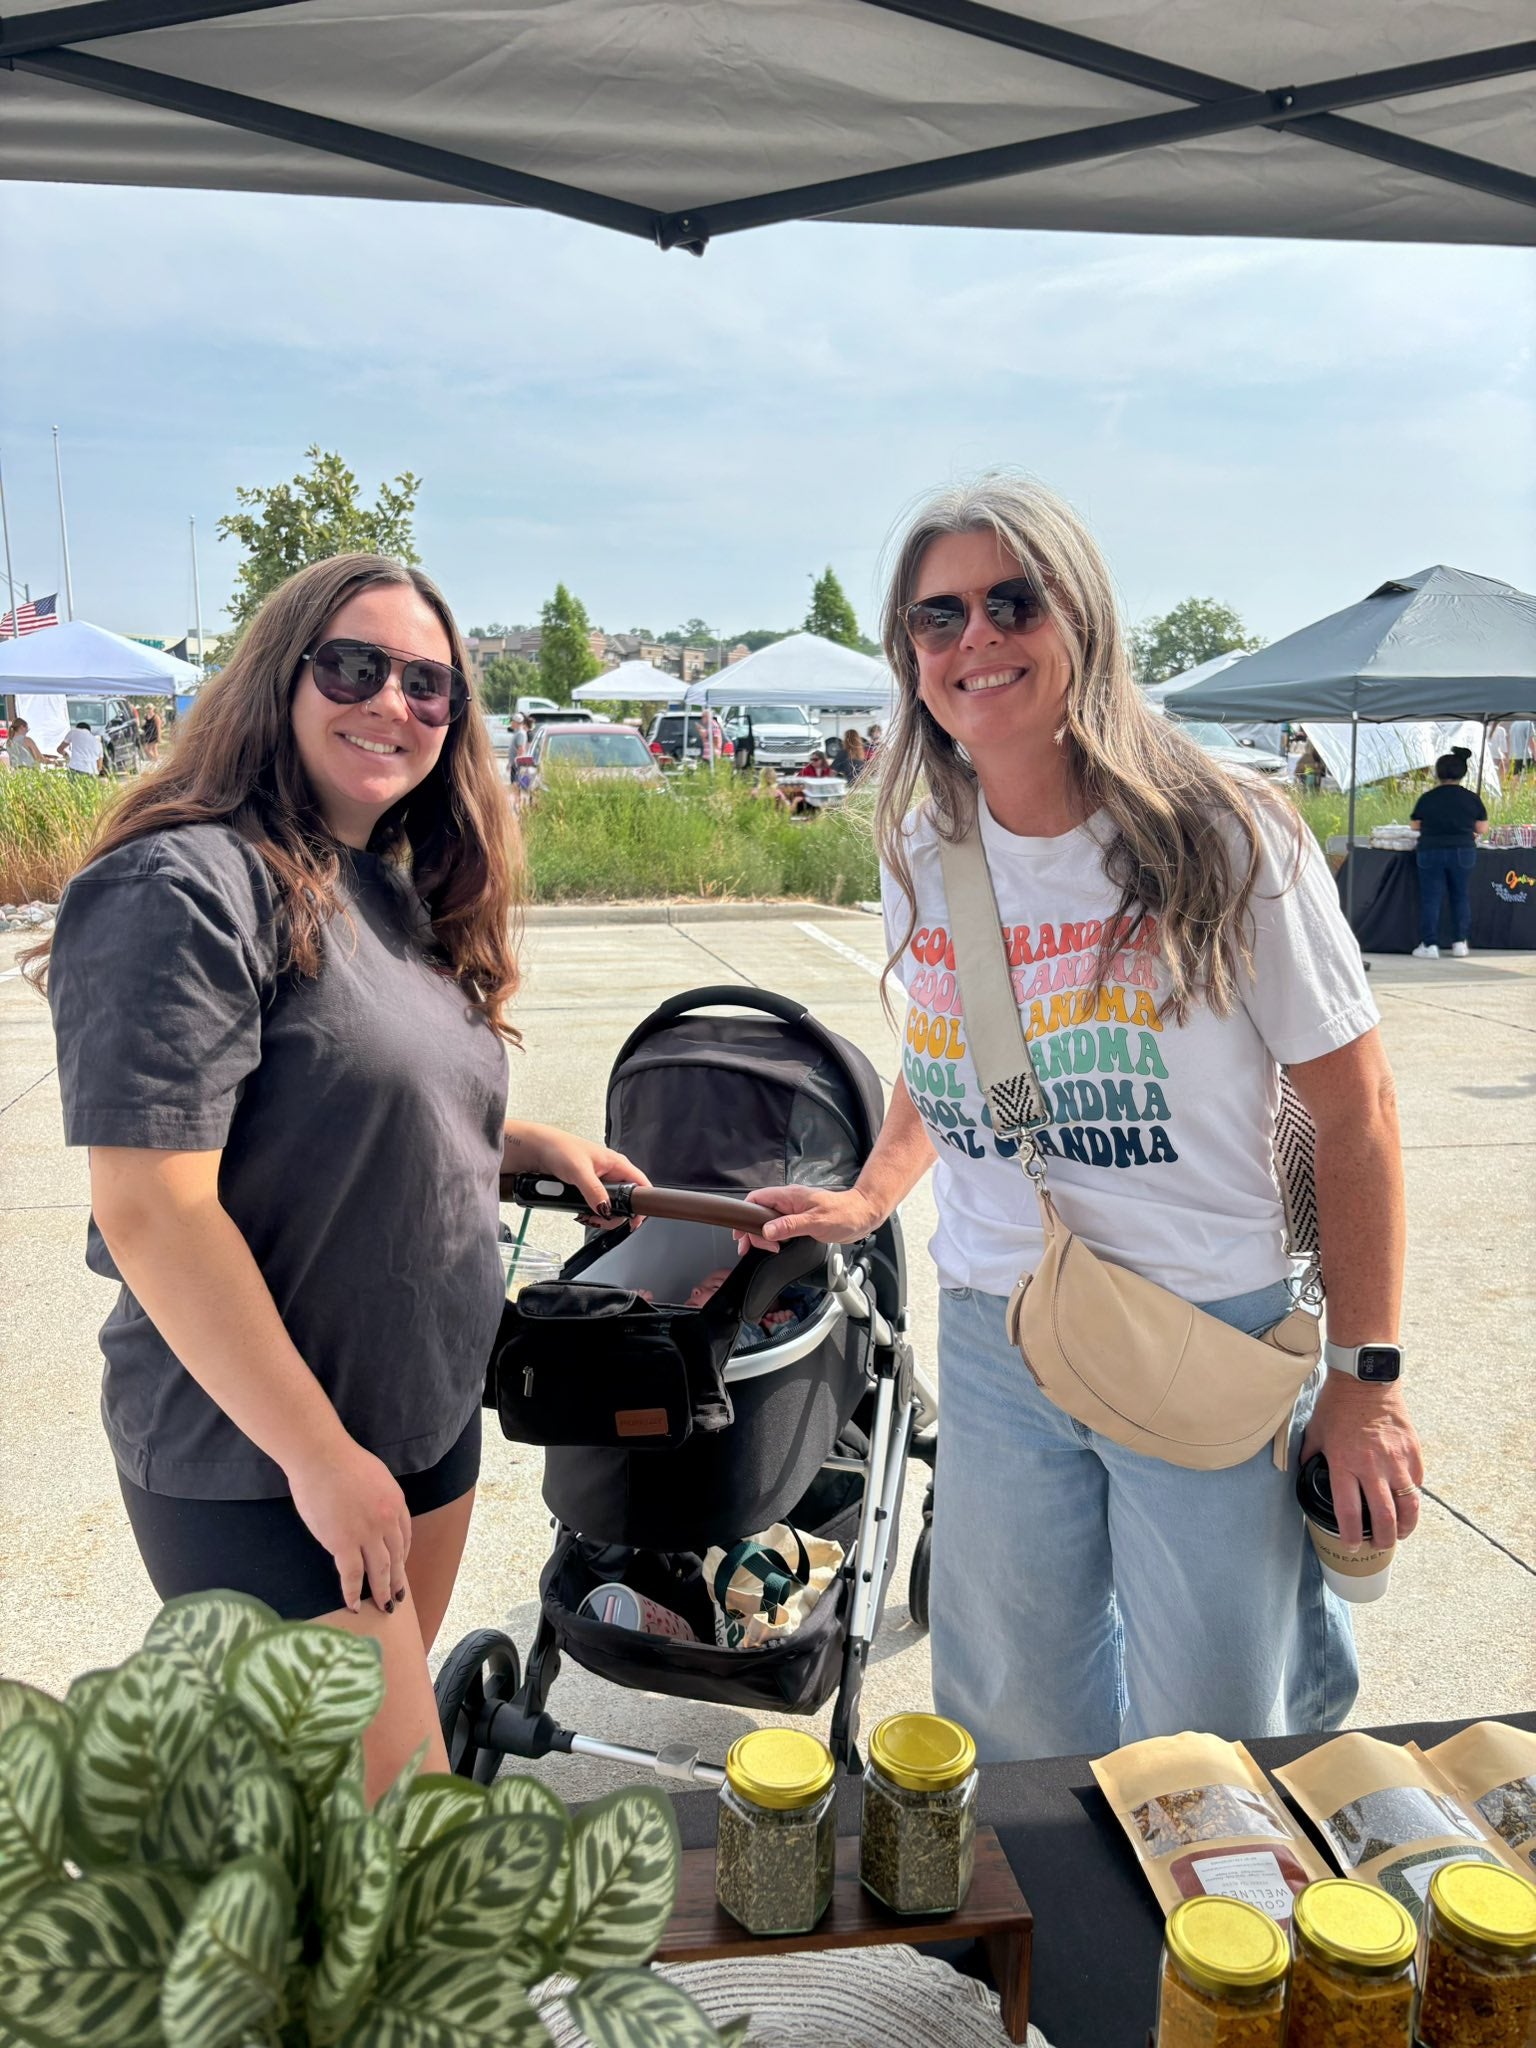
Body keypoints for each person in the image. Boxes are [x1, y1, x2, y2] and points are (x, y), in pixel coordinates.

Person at [736, 476, 1422, 1761]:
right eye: (936, 618)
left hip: (1200, 1330)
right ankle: (1064, 1952)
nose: (974, 639)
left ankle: (1208, 1951)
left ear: (1083, 620)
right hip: (999, 1332)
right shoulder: (922, 845)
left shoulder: (1223, 835)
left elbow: (1358, 1112)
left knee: (1216, 1729)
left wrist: (1364, 1381)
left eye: (1012, 601)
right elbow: (938, 1046)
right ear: (910, 658)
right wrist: (875, 1192)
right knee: (1014, 1716)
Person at [28, 554, 645, 1801]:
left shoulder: (389, 881)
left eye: (431, 685)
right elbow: (154, 1205)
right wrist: (320, 1454)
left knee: (336, 1828)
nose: (393, 702)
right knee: (385, 1847)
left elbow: (353, 1086)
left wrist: (523, 1141)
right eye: (354, 665)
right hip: (266, 1460)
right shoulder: (183, 883)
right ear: (282, 675)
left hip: (414, 1421)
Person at [1409, 745, 1488, 960]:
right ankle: (1460, 943)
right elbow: (1481, 828)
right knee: (1460, 896)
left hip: (1431, 850)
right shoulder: (1471, 798)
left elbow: (1415, 825)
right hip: (1463, 850)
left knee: (1431, 898)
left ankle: (1430, 944)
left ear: (1438, 773)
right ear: (1463, 772)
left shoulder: (1428, 798)